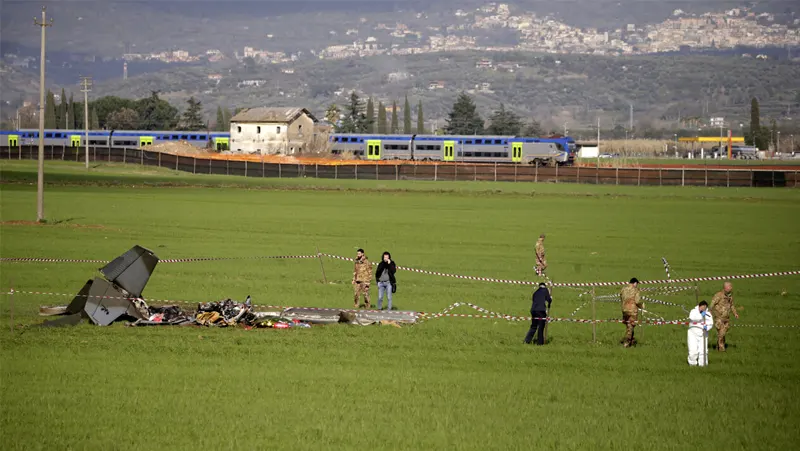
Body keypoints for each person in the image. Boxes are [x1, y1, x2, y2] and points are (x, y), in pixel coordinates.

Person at [710, 281, 739, 351]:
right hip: (719, 318)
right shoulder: (718, 295)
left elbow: (732, 305)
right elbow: (712, 304)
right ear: (726, 287)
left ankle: (718, 346)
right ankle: (721, 349)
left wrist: (735, 313)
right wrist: (710, 312)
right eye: (730, 286)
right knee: (721, 332)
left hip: (726, 318)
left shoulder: (729, 296)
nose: (731, 288)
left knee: (723, 333)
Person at [688, 301, 714, 367]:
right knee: (693, 351)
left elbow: (710, 323)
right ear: (699, 306)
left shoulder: (708, 314)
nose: (703, 308)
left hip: (703, 333)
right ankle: (692, 364)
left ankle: (703, 365)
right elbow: (692, 318)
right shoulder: (693, 311)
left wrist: (707, 327)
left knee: (703, 350)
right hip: (692, 333)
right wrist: (701, 315)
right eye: (702, 307)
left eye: (705, 307)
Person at [620, 278, 642, 348]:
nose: (637, 285)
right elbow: (637, 301)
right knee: (631, 326)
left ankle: (631, 341)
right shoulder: (636, 290)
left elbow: (621, 297)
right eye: (637, 284)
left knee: (629, 325)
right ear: (635, 283)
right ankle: (626, 342)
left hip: (624, 309)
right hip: (632, 310)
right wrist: (642, 306)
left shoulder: (623, 289)